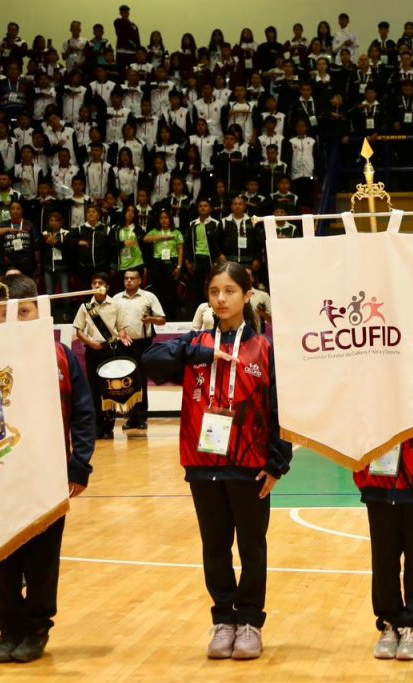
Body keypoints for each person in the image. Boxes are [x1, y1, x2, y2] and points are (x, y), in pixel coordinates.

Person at [142, 260, 291, 661]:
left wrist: (277, 463)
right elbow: (150, 360)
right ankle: (224, 619)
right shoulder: (196, 343)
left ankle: (250, 622)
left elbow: (282, 410)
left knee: (252, 547)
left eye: (229, 291)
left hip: (249, 464)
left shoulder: (265, 349)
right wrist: (196, 350)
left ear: (247, 295)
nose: (221, 299)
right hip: (202, 461)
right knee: (215, 546)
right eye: (214, 292)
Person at [0, 274, 94, 664]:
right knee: (3, 553)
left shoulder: (61, 356)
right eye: (4, 313)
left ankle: (36, 627)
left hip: (49, 474)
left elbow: (84, 413)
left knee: (42, 557)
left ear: (39, 311)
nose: (14, 320)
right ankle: (8, 626)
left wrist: (79, 466)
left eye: (24, 312)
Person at [353, 351, 413, 661]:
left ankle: (412, 624)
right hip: (378, 478)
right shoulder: (368, 360)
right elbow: (354, 410)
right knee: (383, 559)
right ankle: (389, 622)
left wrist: (397, 405)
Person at [72, 273, 131, 440]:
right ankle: (97, 426)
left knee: (110, 389)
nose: (97, 286)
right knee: (94, 389)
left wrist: (122, 336)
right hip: (93, 351)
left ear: (107, 287)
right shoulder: (85, 307)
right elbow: (79, 331)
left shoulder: (116, 305)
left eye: (100, 283)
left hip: (111, 351)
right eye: (94, 283)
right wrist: (91, 343)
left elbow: (121, 329)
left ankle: (108, 427)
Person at [112, 270, 164, 432]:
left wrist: (151, 319)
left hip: (143, 344)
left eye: (132, 278)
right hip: (123, 344)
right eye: (126, 278)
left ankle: (141, 417)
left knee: (141, 381)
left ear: (140, 280)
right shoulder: (116, 299)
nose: (129, 281)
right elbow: (109, 322)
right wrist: (118, 333)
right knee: (126, 382)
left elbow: (162, 320)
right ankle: (130, 417)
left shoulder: (149, 297)